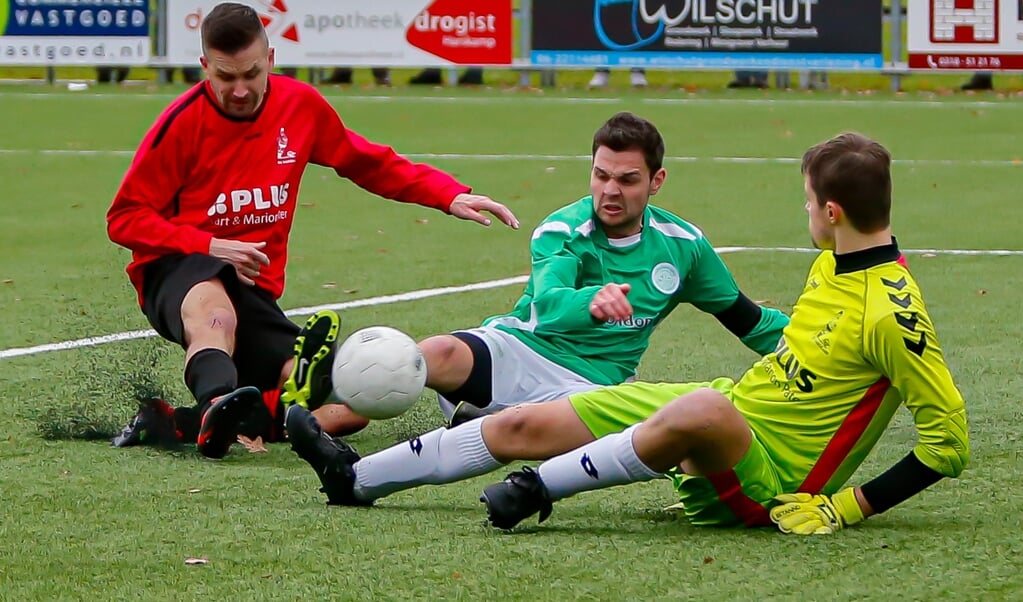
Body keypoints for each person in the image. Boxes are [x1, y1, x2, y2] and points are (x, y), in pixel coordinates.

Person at [472, 132, 970, 533]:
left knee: (701, 407)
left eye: (809, 201)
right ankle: (396, 473)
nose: (807, 210)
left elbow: (947, 443)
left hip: (766, 485)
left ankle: (535, 488)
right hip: (738, 421)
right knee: (560, 413)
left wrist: (847, 507)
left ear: (832, 212)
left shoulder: (890, 314)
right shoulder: (831, 265)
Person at [284, 111, 790, 503]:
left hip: (591, 385)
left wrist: (813, 344)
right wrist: (592, 300)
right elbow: (547, 308)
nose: (610, 191)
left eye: (628, 179)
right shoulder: (561, 229)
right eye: (601, 175)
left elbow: (748, 319)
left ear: (656, 182)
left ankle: (362, 461)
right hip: (518, 349)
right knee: (430, 354)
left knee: (520, 428)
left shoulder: (685, 247)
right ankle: (305, 416)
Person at [104, 2, 518, 459]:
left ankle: (181, 421)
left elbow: (366, 162)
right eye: (225, 78)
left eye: (251, 74)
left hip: (253, 289)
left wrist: (447, 194)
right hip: (177, 271)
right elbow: (123, 218)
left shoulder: (299, 107)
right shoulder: (180, 125)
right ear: (205, 68)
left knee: (351, 400)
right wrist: (208, 244)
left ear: (271, 61)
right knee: (214, 313)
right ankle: (215, 402)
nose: (240, 90)